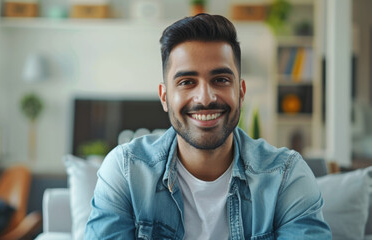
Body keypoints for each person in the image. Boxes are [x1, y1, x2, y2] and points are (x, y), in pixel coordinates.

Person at [85, 14, 331, 239]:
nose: (205, 98)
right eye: (187, 82)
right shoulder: (126, 171)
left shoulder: (286, 176)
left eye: (221, 80)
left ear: (241, 92)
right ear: (164, 97)